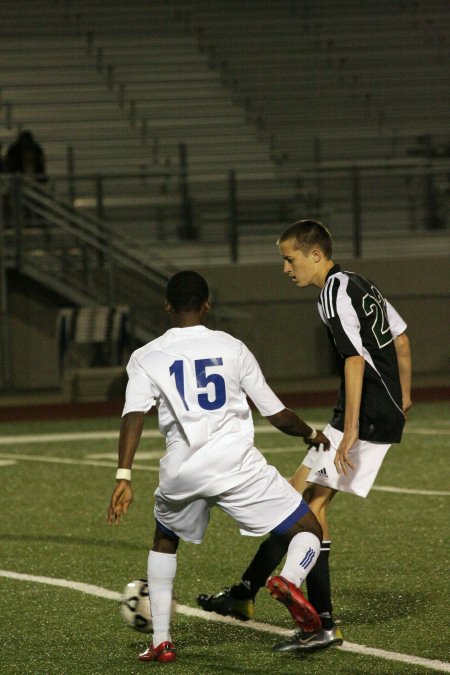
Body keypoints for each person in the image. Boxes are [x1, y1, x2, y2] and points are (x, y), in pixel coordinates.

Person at [197, 219, 412, 653]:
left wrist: (350, 430)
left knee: (307, 510)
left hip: (364, 415)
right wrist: (403, 399)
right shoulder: (359, 282)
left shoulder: (332, 294)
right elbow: (401, 340)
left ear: (316, 255)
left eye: (289, 259)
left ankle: (323, 623)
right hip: (373, 409)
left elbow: (354, 361)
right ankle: (245, 593)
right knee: (292, 500)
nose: (285, 268)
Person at [107, 270, 330, 663]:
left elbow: (133, 415)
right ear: (208, 304)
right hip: (235, 466)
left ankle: (161, 640)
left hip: (182, 473)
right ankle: (289, 580)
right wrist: (310, 434)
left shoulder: (145, 356)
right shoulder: (232, 346)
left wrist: (123, 476)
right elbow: (276, 414)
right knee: (308, 528)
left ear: (167, 307)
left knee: (165, 539)